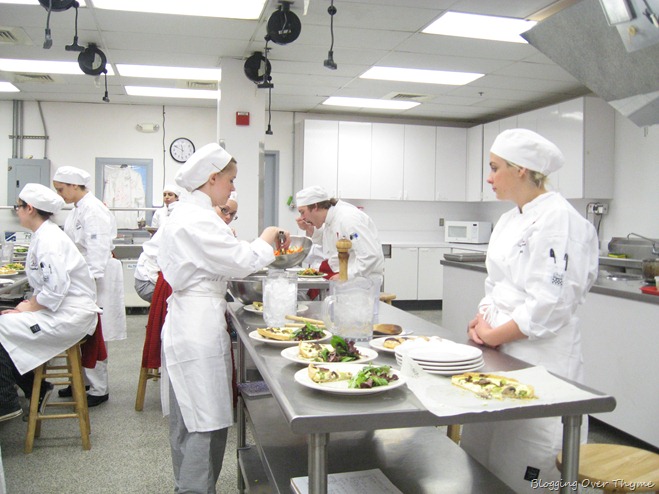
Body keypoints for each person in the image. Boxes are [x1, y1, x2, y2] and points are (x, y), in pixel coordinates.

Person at [461, 129, 599, 493]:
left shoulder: (560, 221)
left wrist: (492, 334)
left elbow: (550, 304)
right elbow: (496, 286)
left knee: (525, 467)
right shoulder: (510, 220)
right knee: (479, 454)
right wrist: (481, 320)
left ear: (521, 170)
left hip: (541, 361)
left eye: (494, 168)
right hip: (498, 356)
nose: (488, 178)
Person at [157, 142, 290, 493]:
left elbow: (223, 257)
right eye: (231, 179)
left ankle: (190, 486)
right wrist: (267, 238)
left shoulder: (193, 216)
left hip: (196, 321)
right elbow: (243, 260)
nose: (233, 187)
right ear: (213, 177)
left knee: (199, 418)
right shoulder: (195, 219)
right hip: (195, 327)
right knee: (202, 420)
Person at [0, 184, 101, 422]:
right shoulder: (43, 235)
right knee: (6, 321)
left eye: (18, 207)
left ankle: (6, 401)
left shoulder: (49, 240)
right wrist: (28, 306)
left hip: (70, 316)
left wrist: (28, 306)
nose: (17, 211)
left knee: (3, 325)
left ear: (30, 208)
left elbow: (55, 290)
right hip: (60, 308)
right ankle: (36, 389)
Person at [53, 166, 127, 407]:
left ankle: (98, 388)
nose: (60, 194)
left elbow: (96, 248)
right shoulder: (78, 209)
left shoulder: (92, 210)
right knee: (84, 331)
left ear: (75, 185)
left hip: (96, 279)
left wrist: (89, 282)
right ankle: (81, 380)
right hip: (85, 277)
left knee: (96, 332)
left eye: (62, 189)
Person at [295, 185, 384, 284]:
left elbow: (370, 255)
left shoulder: (348, 219)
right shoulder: (331, 220)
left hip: (363, 281)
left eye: (302, 212)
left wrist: (345, 275)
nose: (302, 218)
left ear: (315, 206)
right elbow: (329, 241)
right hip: (349, 279)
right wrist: (309, 228)